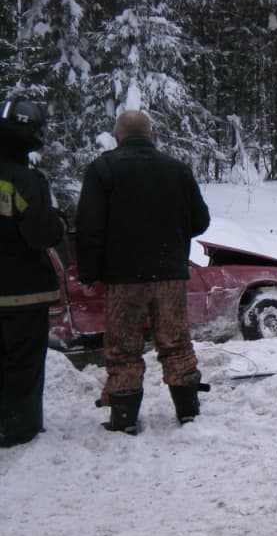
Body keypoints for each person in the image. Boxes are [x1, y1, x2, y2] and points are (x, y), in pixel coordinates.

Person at [76, 110, 211, 435]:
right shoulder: (176, 169)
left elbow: (89, 228)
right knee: (176, 343)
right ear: (152, 135)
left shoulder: (102, 169)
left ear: (117, 136)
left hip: (123, 277)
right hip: (169, 274)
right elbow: (200, 221)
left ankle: (123, 419)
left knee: (123, 347)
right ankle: (188, 412)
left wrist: (89, 272)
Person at [0, 96, 65, 447]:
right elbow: (42, 233)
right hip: (21, 292)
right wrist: (57, 223)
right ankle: (17, 430)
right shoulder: (24, 180)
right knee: (23, 363)